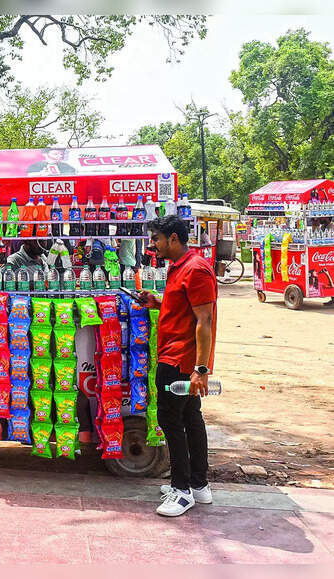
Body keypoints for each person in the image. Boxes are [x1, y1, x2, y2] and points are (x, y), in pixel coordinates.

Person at [137, 215, 217, 518]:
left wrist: (201, 369)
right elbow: (183, 308)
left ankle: (182, 491)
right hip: (177, 356)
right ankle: (198, 484)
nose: (152, 245)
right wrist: (157, 303)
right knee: (191, 417)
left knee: (171, 420)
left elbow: (204, 321)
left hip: (180, 360)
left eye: (156, 238)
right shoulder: (179, 267)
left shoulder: (196, 269)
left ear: (173, 238)